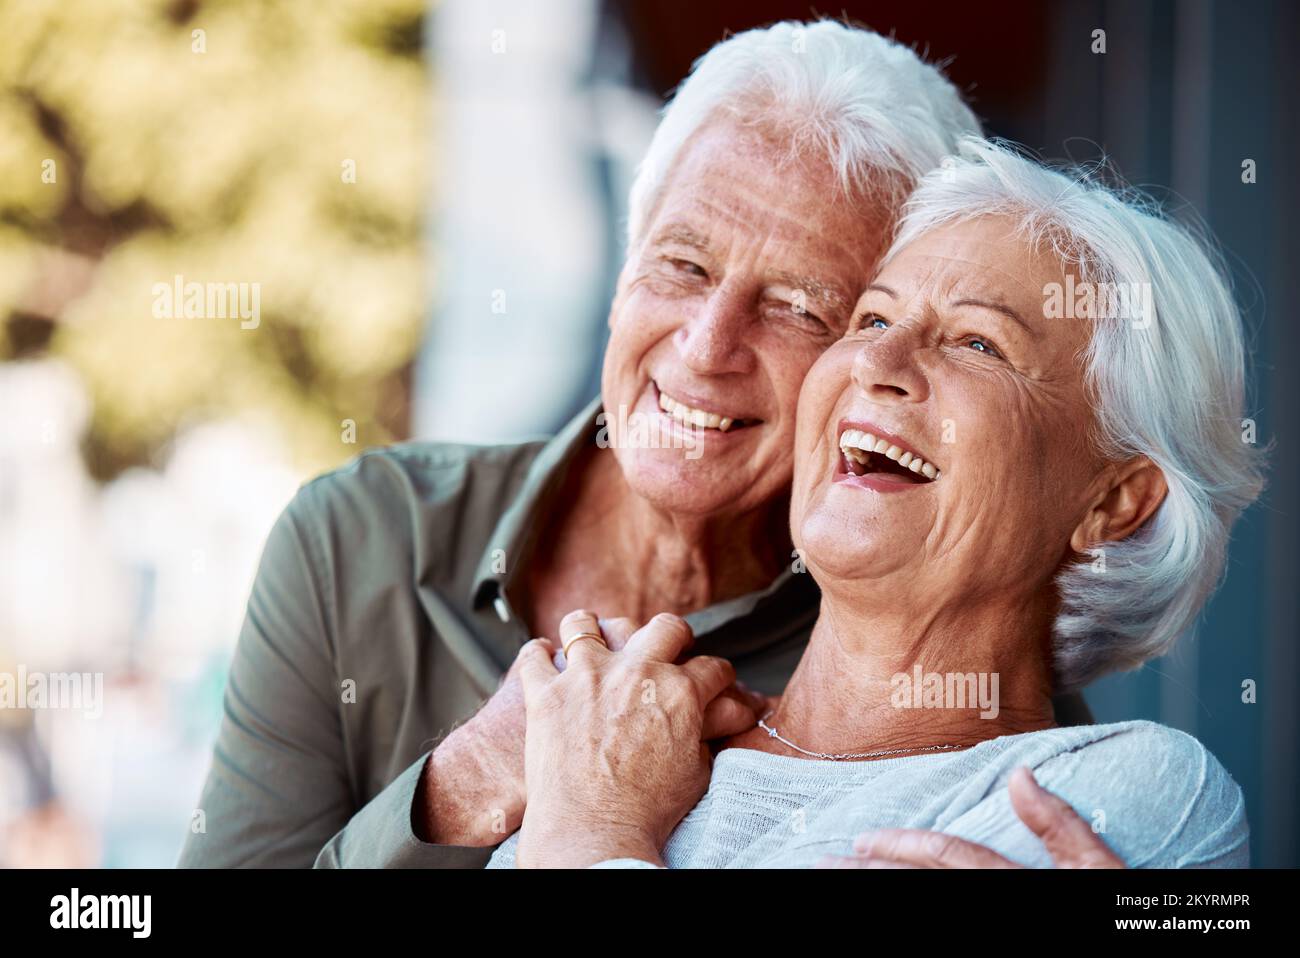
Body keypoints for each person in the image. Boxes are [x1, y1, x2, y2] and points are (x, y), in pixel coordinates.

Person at [177, 22, 1095, 869]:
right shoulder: (356, 539)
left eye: (798, 307)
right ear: (623, 272)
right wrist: (459, 788)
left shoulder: (943, 657)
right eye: (682, 265)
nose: (704, 346)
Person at [485, 137, 1262, 869]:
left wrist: (592, 827)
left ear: (1115, 503)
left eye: (979, 344)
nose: (877, 364)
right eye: (873, 319)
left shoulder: (1133, 794)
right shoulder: (622, 734)